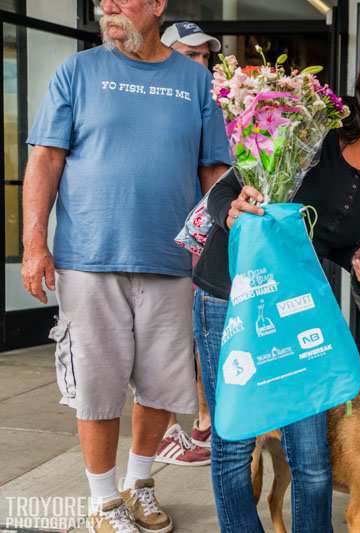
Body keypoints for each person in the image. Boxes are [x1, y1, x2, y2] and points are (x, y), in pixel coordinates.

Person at [191, 25, 360, 533]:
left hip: (302, 307)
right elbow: (225, 190)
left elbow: (328, 237)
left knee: (311, 455)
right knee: (235, 441)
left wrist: (356, 258)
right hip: (232, 294)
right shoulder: (313, 128)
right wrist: (235, 210)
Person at [21, 0, 231, 531]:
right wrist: (33, 243)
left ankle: (139, 484)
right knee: (97, 387)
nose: (107, 7)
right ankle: (102, 501)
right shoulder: (79, 70)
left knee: (162, 385)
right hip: (89, 259)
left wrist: (229, 238)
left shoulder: (193, 81)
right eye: (102, 0)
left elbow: (213, 168)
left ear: (158, 5)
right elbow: (45, 158)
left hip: (172, 260)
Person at [150, 21, 223, 467]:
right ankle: (179, 425)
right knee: (171, 335)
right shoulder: (159, 104)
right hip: (165, 241)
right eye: (189, 54)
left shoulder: (216, 106)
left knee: (203, 331)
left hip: (209, 235)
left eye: (205, 57)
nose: (200, 64)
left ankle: (205, 419)